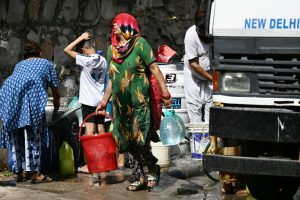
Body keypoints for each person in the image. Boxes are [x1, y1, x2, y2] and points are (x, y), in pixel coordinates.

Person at [96, 13, 172, 192]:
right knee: (126, 143)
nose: (113, 26)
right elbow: (111, 79)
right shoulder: (111, 51)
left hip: (139, 103)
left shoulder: (140, 44)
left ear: (127, 25)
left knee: (140, 140)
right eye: (113, 24)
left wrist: (165, 92)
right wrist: (103, 101)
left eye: (117, 23)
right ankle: (139, 177)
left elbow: (154, 68)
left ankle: (152, 168)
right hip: (120, 107)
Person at [0, 42, 60, 183]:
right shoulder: (47, 63)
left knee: (16, 131)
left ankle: (20, 172)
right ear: (39, 52)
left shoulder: (19, 65)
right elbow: (55, 89)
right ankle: (35, 174)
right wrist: (56, 106)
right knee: (33, 132)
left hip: (8, 92)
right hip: (30, 92)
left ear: (25, 55)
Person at [64, 32, 107, 186]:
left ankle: (91, 165)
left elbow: (67, 50)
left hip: (89, 102)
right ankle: (104, 162)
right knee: (101, 132)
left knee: (89, 134)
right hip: (100, 101)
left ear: (83, 50)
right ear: (94, 46)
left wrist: (81, 38)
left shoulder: (86, 60)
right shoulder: (102, 59)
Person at [183, 9, 213, 123]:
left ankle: (210, 138)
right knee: (194, 107)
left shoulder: (213, 32)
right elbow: (193, 64)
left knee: (212, 104)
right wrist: (211, 78)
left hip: (210, 72)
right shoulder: (191, 35)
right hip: (193, 74)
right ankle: (197, 139)